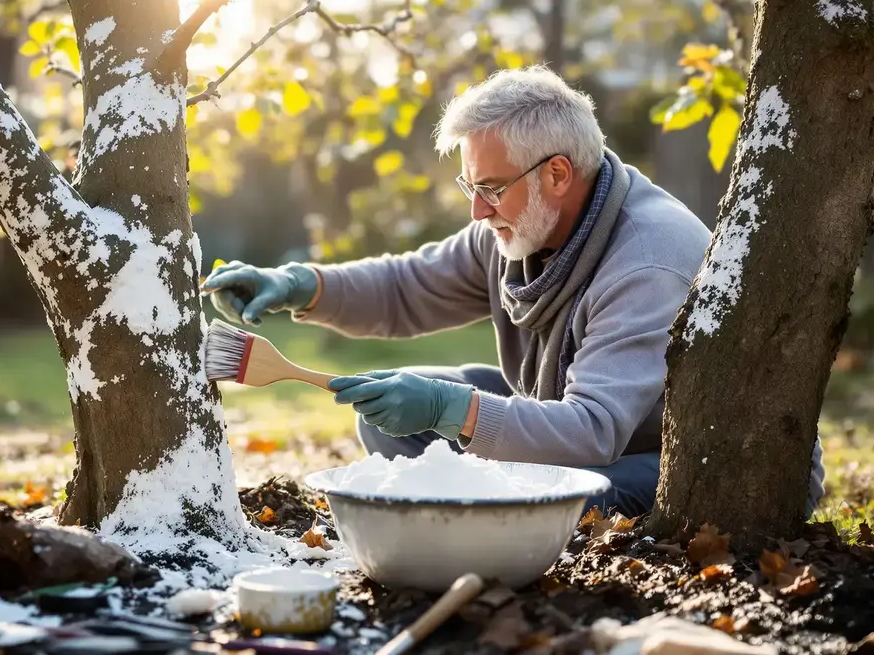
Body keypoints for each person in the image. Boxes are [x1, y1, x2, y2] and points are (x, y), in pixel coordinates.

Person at [201, 65, 825, 517]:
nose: (477, 210)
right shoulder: (518, 227)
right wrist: (296, 285)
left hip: (675, 459)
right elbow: (407, 287)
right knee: (388, 420)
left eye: (492, 188)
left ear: (558, 173)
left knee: (534, 488)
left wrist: (451, 410)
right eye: (470, 187)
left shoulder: (647, 260)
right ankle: (475, 509)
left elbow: (594, 430)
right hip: (575, 422)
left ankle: (483, 520)